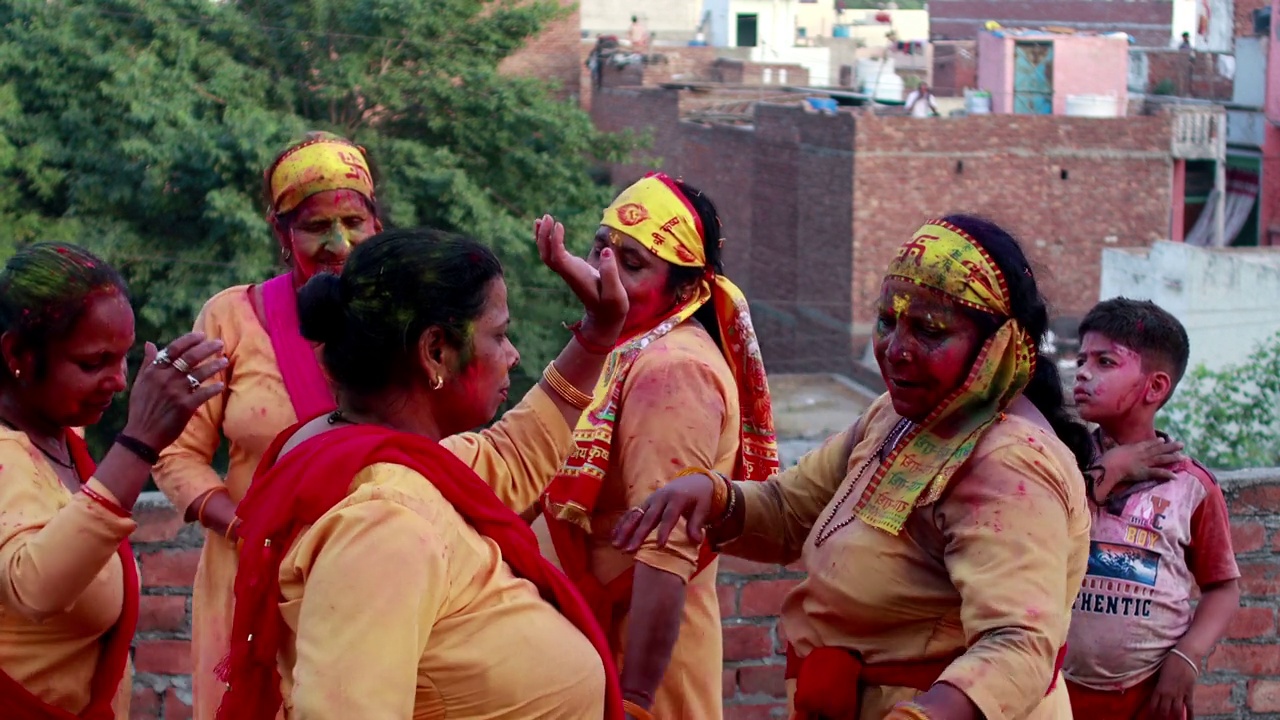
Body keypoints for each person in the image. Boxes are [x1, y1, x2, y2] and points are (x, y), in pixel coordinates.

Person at [615, 215, 1096, 720]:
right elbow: (789, 510)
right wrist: (714, 498)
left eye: (929, 331)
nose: (896, 350)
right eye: (888, 322)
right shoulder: (897, 416)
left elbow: (1018, 643)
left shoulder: (1012, 464)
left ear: (997, 346)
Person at [216, 222, 631, 719]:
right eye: (498, 335)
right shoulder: (384, 523)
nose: (512, 354)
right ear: (436, 350)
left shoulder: (357, 451)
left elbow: (510, 457)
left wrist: (597, 335)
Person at [150, 131, 390, 720]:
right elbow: (176, 455)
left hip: (375, 577)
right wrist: (248, 527)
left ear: (376, 224)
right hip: (249, 578)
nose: (338, 244)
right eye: (315, 228)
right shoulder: (231, 316)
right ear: (281, 233)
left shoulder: (405, 320)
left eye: (353, 222)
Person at [535, 172, 778, 720]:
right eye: (602, 247)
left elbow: (665, 549)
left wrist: (636, 699)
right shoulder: (626, 343)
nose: (606, 270)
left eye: (634, 263)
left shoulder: (673, 371)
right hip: (592, 645)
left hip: (638, 670)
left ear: (684, 291)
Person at [0, 243, 224, 719]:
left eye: (124, 359)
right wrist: (139, 442)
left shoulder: (60, 442)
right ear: (17, 353)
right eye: (92, 363)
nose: (119, 381)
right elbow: (34, 589)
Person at [1065, 298, 1240, 720]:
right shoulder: (1058, 462)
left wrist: (1189, 656)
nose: (1083, 372)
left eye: (1105, 361)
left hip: (1149, 695)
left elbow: (1223, 587)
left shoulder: (1190, 486)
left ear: (1155, 387)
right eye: (1081, 359)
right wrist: (1113, 466)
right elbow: (1055, 520)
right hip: (1054, 688)